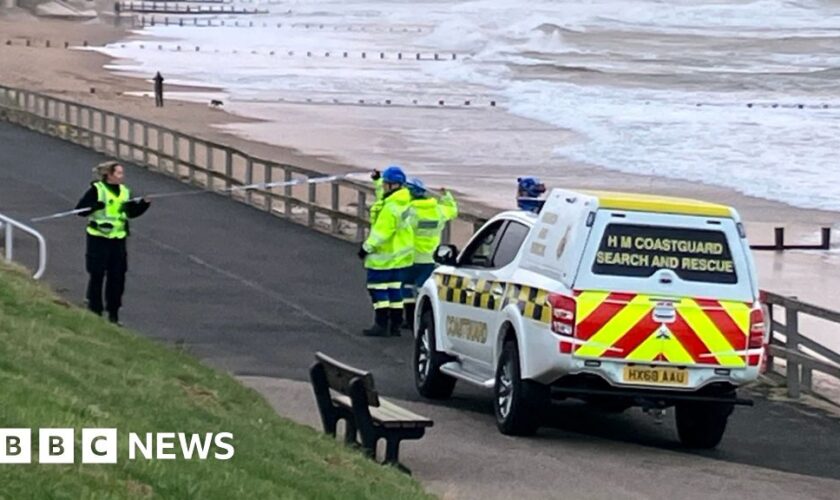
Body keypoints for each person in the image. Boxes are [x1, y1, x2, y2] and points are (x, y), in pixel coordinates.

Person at [75, 161, 151, 325]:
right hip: (98, 239)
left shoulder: (124, 192)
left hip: (118, 240)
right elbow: (80, 210)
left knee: (117, 278)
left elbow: (130, 213)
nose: (122, 176)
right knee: (97, 275)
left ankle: (113, 313)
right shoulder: (97, 190)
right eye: (118, 173)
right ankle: (95, 309)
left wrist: (144, 205)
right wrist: (94, 206)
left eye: (122, 173)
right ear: (109, 175)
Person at [358, 165, 414, 337]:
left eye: (385, 184)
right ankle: (395, 324)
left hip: (383, 257)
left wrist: (366, 248)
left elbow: (381, 232)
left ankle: (381, 324)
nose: (383, 187)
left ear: (392, 185)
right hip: (399, 257)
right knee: (395, 290)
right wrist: (377, 180)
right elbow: (383, 196)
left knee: (377, 290)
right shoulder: (403, 200)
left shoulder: (390, 208)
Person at [402, 177, 457, 330]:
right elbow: (452, 210)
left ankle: (408, 319)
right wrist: (447, 196)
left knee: (405, 288)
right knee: (422, 289)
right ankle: (421, 319)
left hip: (409, 257)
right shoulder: (438, 210)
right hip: (429, 258)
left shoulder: (408, 211)